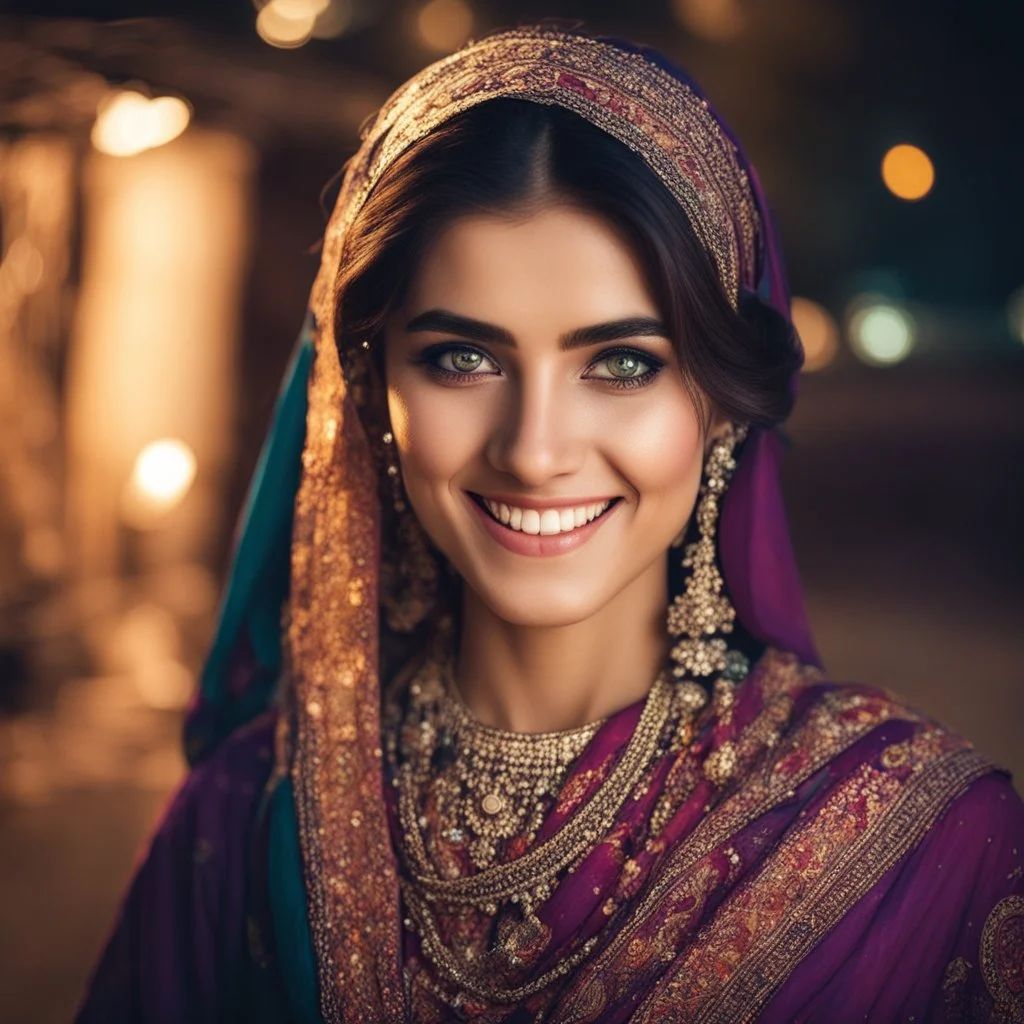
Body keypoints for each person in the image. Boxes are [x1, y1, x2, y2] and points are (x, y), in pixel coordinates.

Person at [76, 26, 1024, 1023]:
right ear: (367, 394)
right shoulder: (237, 827)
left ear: (718, 404)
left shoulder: (934, 851)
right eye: (461, 359)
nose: (533, 449)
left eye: (620, 363)